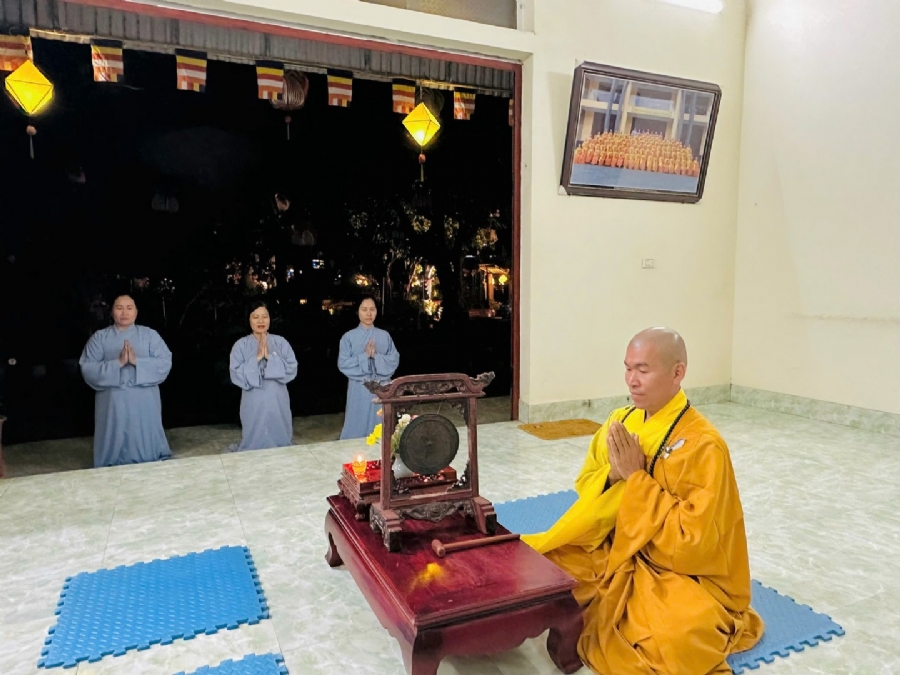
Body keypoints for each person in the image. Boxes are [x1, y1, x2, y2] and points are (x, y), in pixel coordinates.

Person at [522, 327, 763, 675]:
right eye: (628, 368)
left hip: (673, 571)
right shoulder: (619, 421)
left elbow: (695, 542)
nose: (631, 381)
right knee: (546, 570)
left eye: (643, 370)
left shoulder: (704, 445)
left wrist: (636, 479)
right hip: (611, 547)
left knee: (680, 635)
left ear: (677, 373)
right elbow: (586, 484)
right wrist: (613, 476)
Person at [79, 294, 172, 467]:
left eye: (129, 308)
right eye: (119, 308)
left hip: (144, 397)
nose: (124, 312)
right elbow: (88, 367)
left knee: (144, 432)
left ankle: (149, 456)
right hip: (112, 399)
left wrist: (137, 362)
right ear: (112, 312)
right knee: (114, 431)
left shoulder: (150, 335)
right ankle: (111, 460)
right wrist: (118, 363)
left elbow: (165, 362)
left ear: (136, 312)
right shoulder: (99, 338)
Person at [229, 300, 298, 451]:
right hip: (253, 399)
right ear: (249, 320)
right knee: (254, 429)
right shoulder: (240, 345)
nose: (261, 321)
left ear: (270, 319)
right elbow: (236, 373)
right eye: (255, 317)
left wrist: (271, 358)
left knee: (279, 428)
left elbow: (292, 368)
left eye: (264, 316)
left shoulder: (281, 342)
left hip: (277, 397)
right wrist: (257, 358)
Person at [338, 296, 399, 440]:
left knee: (381, 425)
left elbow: (394, 359)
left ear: (377, 312)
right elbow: (343, 363)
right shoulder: (348, 337)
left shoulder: (385, 336)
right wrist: (364, 356)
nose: (368, 313)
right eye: (364, 309)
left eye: (372, 309)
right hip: (358, 387)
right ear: (358, 312)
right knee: (357, 420)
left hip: (382, 387)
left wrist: (376, 356)